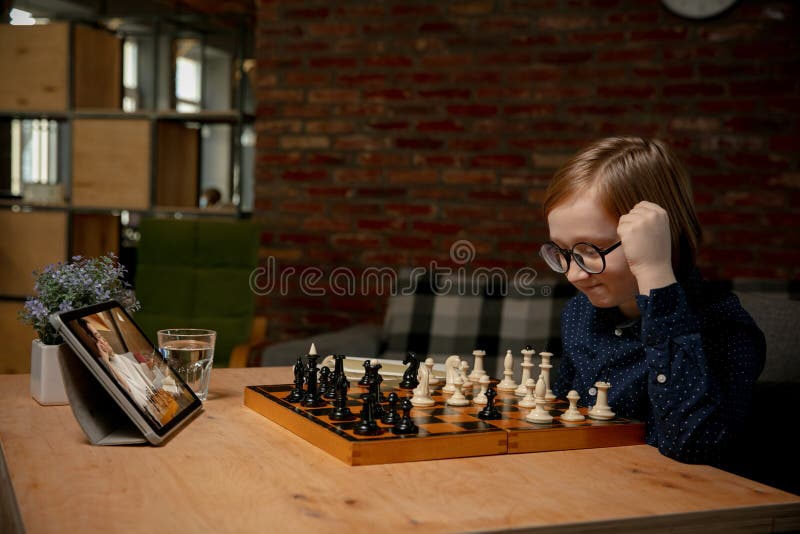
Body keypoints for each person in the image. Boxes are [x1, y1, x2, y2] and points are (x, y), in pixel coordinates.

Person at [541, 136, 765, 468]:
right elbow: (561, 415)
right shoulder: (580, 312)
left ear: (654, 238)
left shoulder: (725, 327)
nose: (574, 274)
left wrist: (654, 272)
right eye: (562, 251)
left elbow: (694, 447)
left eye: (591, 250)